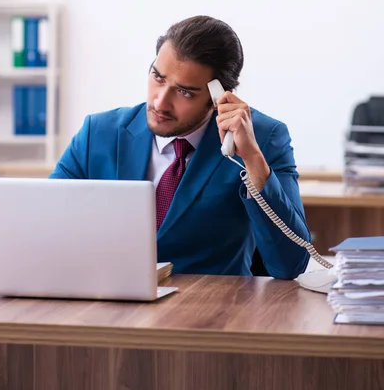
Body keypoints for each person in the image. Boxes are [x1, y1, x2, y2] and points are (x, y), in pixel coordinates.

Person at [50, 15, 310, 279]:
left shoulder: (264, 139)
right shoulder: (99, 133)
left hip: (208, 311)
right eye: (158, 77)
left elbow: (289, 264)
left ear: (218, 97)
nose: (160, 102)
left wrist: (253, 159)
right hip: (107, 301)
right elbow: (44, 224)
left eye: (184, 92)